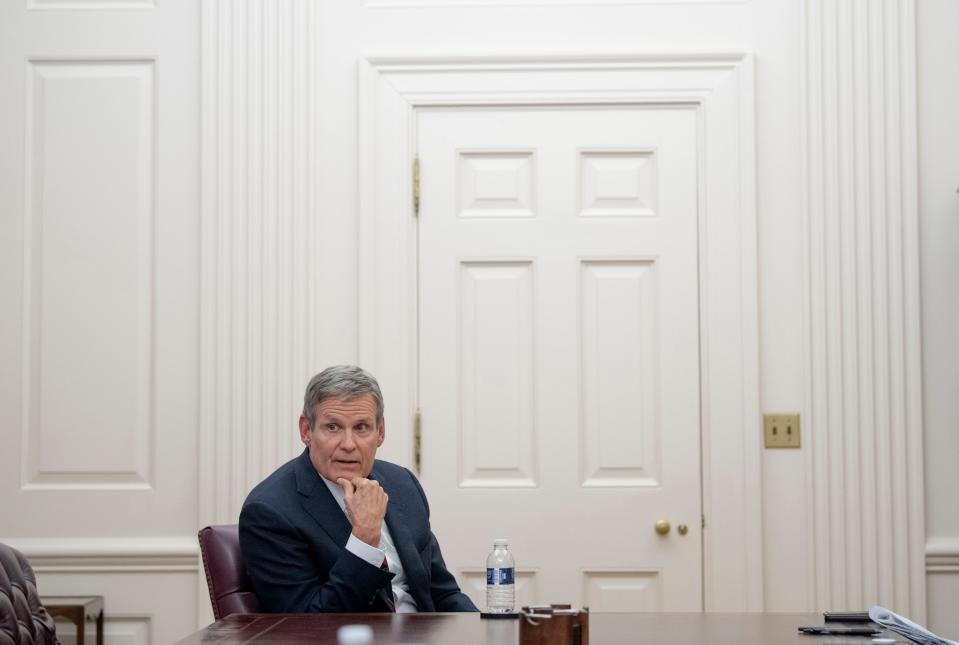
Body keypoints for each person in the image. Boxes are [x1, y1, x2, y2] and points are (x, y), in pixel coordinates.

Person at [239, 365, 478, 613]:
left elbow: (443, 593)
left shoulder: (402, 483)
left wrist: (486, 634)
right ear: (306, 430)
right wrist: (364, 538)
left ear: (380, 432)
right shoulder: (269, 511)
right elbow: (309, 624)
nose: (348, 444)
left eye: (361, 428)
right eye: (333, 427)